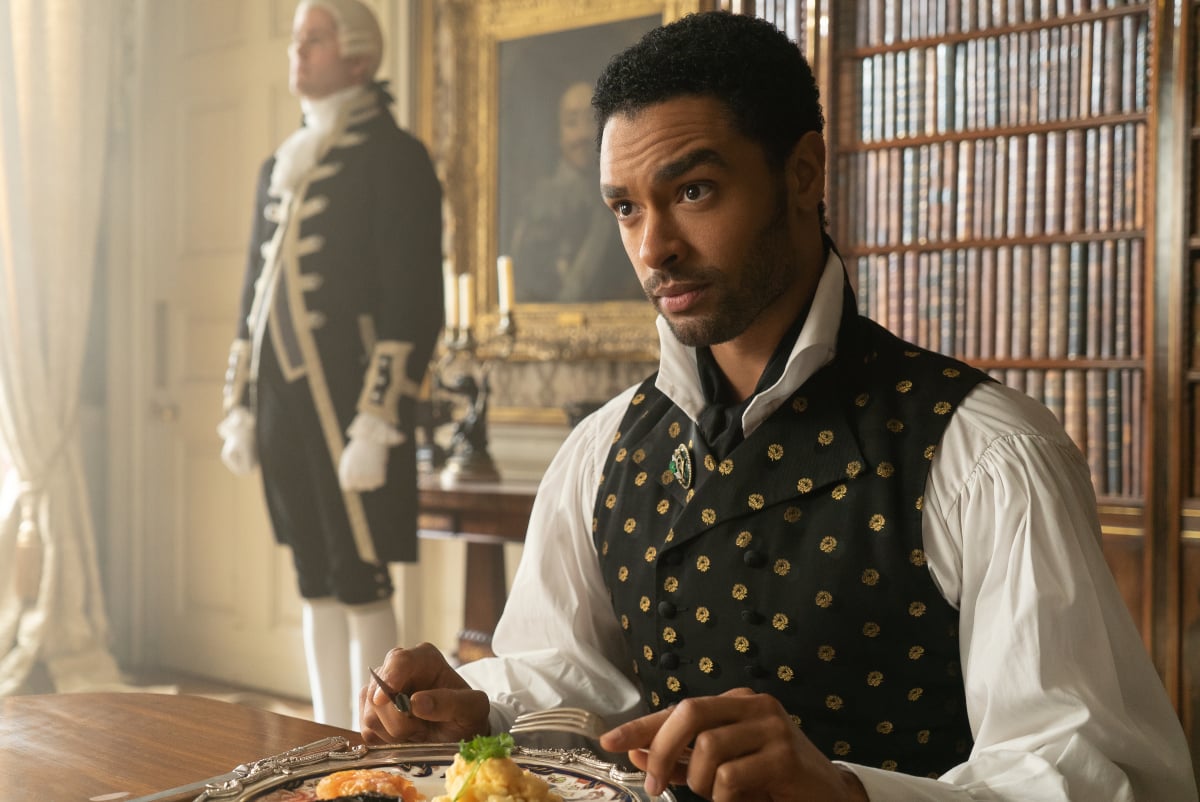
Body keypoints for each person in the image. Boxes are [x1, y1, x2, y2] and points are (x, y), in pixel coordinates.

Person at [360, 11, 1196, 801]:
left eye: (693, 191)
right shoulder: (599, 452)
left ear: (801, 174)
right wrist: (482, 713)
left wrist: (848, 792)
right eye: (626, 207)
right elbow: (573, 679)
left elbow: (1095, 775)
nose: (654, 248)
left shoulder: (987, 454)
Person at [218, 0, 442, 730]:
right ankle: (325, 731)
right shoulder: (278, 164)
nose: (296, 52)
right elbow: (254, 293)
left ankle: (381, 734)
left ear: (359, 56)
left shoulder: (394, 156)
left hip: (350, 403)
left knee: (361, 575)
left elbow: (413, 298)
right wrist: (239, 403)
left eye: (312, 39)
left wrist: (379, 418)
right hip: (281, 400)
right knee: (313, 576)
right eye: (295, 39)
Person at [509, 81, 642, 303]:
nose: (582, 134)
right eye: (572, 123)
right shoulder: (535, 201)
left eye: (591, 121)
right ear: (558, 133)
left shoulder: (629, 196)